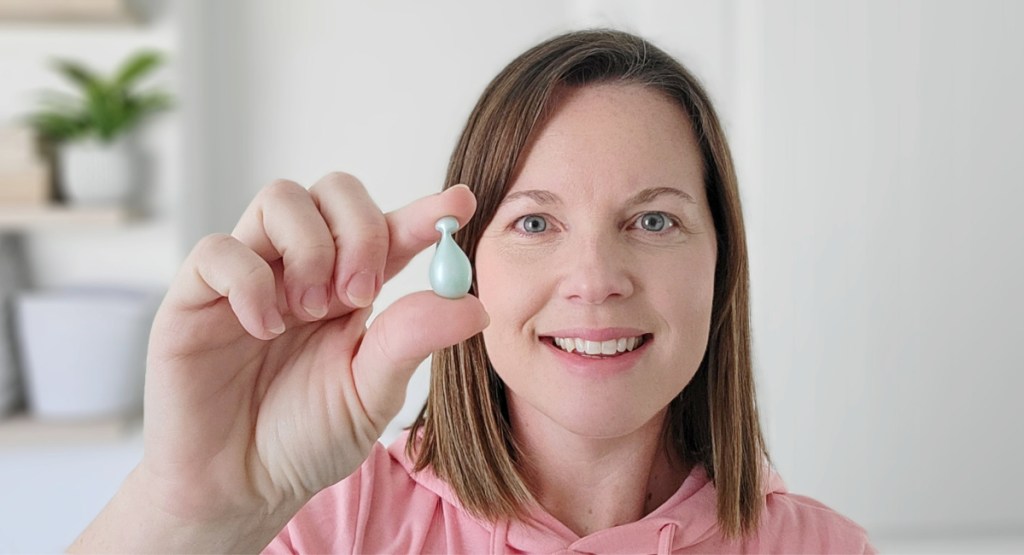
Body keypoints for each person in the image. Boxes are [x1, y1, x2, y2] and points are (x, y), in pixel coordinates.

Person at [70, 29, 875, 554]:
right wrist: (189, 506)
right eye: (533, 223)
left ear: (721, 264)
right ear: (468, 259)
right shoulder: (324, 524)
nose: (595, 280)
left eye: (654, 221)